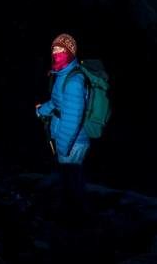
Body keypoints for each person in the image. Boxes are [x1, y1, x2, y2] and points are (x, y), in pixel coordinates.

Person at [36, 33, 89, 216]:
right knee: (71, 179)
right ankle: (74, 214)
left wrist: (63, 146)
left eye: (61, 49)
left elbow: (72, 118)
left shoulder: (74, 80)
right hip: (66, 137)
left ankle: (74, 220)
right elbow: (57, 103)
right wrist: (41, 110)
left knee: (71, 181)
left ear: (70, 52)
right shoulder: (62, 73)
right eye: (54, 49)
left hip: (73, 141)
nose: (56, 52)